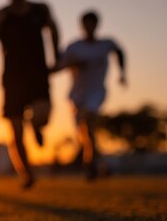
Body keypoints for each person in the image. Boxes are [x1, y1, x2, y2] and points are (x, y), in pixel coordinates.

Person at [0, 0, 60, 189]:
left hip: (38, 75)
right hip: (12, 78)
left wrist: (57, 56)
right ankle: (27, 175)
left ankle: (37, 126)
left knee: (41, 115)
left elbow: (54, 29)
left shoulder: (40, 9)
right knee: (15, 129)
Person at [52, 11, 126, 180]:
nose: (89, 27)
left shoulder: (106, 44)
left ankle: (89, 166)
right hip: (77, 95)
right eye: (86, 23)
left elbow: (119, 52)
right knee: (85, 133)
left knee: (88, 122)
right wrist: (74, 63)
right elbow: (58, 66)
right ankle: (101, 165)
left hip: (96, 93)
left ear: (97, 24)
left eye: (92, 23)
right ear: (82, 25)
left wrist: (123, 73)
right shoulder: (74, 47)